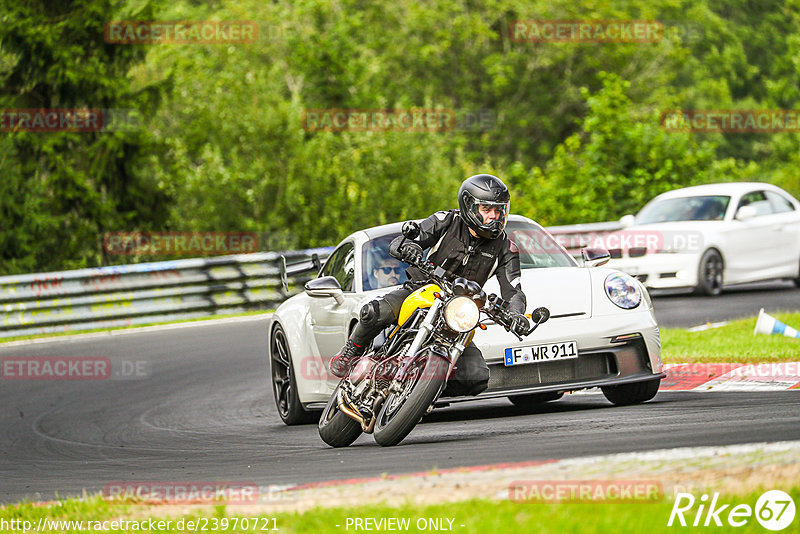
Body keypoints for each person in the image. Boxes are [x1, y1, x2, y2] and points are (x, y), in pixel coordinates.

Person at [329, 174, 529, 397]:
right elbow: (403, 241)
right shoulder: (446, 221)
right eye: (487, 210)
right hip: (423, 288)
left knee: (476, 377)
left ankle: (421, 391)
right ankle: (351, 352)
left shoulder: (506, 248)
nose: (494, 216)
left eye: (499, 210)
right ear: (469, 206)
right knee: (373, 312)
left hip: (459, 310)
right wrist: (409, 247)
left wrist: (516, 315)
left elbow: (513, 290)